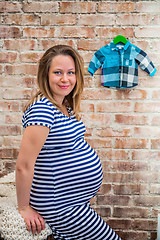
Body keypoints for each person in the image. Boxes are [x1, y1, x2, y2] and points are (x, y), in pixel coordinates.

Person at [16, 45, 122, 240]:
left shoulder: (63, 105)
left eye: (70, 72)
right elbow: (24, 165)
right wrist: (24, 207)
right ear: (45, 75)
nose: (65, 79)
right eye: (58, 72)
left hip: (72, 201)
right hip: (60, 205)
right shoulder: (43, 110)